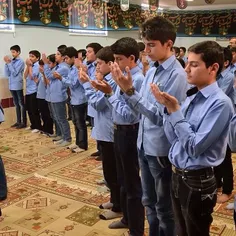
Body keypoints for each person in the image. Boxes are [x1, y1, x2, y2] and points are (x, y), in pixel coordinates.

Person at [109, 16, 188, 236]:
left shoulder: (177, 76)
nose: (146, 49)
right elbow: (142, 111)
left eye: (151, 45)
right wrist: (127, 92)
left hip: (160, 149)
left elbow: (162, 118)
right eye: (145, 44)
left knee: (164, 210)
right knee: (149, 203)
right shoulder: (153, 69)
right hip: (144, 144)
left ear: (168, 44)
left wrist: (130, 92)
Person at [151, 40, 234, 236]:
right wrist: (168, 111)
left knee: (195, 231)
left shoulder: (221, 103)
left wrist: (175, 112)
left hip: (198, 180)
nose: (186, 69)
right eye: (187, 63)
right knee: (181, 230)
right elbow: (174, 138)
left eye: (194, 64)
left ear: (213, 68)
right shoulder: (191, 97)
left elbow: (194, 147)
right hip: (178, 174)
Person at [91, 37, 145, 236]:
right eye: (113, 59)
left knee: (132, 184)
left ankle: (136, 229)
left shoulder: (136, 79)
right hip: (119, 130)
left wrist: (109, 94)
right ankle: (126, 218)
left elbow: (130, 114)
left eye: (118, 59)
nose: (115, 64)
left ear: (132, 58)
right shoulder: (121, 74)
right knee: (122, 179)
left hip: (130, 132)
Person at [80, 46, 122, 221]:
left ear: (109, 64)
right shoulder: (105, 79)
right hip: (104, 131)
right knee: (109, 172)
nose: (96, 67)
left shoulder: (111, 82)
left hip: (110, 133)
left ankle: (119, 207)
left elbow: (97, 104)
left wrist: (87, 85)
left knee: (113, 173)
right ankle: (114, 200)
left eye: (99, 63)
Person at [214, 47, 235, 203]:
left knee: (225, 155)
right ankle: (218, 184)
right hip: (217, 118)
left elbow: (216, 96)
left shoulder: (229, 76)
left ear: (225, 63)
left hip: (227, 119)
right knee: (217, 153)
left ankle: (227, 190)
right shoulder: (217, 75)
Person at [42, 46, 71, 147]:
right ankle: (61, 135)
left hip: (59, 96)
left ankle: (67, 138)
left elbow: (49, 76)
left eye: (58, 54)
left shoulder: (63, 68)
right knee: (57, 117)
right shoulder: (57, 67)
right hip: (53, 95)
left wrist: (46, 63)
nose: (55, 55)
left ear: (63, 57)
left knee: (62, 118)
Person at [63, 46, 88, 153]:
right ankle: (77, 142)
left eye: (67, 58)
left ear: (74, 57)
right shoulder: (71, 68)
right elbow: (69, 81)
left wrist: (61, 78)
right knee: (75, 122)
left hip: (80, 99)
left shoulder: (79, 68)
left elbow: (73, 84)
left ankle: (83, 145)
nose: (65, 60)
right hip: (73, 99)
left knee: (80, 123)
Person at [4, 45, 26, 128]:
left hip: (17, 85)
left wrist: (9, 64)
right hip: (11, 85)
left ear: (18, 52)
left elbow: (15, 73)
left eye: (13, 52)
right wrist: (6, 64)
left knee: (21, 104)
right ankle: (18, 121)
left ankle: (23, 122)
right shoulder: (11, 62)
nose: (12, 54)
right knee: (16, 104)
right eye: (11, 52)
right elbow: (7, 74)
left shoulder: (21, 62)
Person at [24, 50, 42, 133]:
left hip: (34, 90)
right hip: (28, 90)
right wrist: (28, 66)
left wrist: (30, 66)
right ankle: (33, 125)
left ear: (37, 58)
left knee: (34, 110)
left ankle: (38, 126)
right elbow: (25, 76)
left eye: (32, 56)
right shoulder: (30, 65)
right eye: (29, 56)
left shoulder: (37, 66)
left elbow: (32, 77)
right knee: (29, 109)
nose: (30, 58)